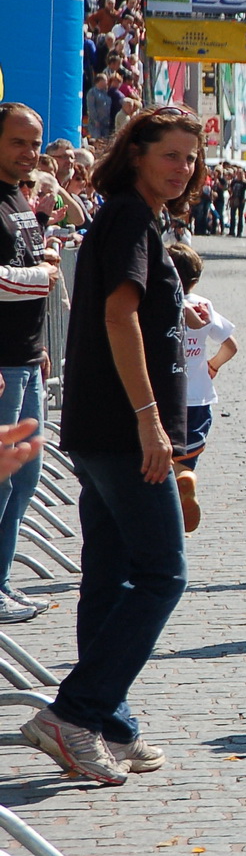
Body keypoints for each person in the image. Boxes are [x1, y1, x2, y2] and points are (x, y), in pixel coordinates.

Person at [22, 106, 203, 785]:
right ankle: (76, 711)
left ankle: (111, 722)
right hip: (125, 430)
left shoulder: (133, 215)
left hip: (103, 426)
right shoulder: (128, 216)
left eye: (190, 157)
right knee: (163, 574)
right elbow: (118, 314)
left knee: (111, 574)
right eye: (170, 155)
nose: (183, 168)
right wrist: (151, 419)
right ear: (136, 155)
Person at [0, 103, 60, 623]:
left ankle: (1, 583)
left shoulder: (19, 197)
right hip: (1, 365)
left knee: (24, 479)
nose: (30, 152)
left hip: (26, 356)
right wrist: (43, 274)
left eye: (35, 142)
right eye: (19, 142)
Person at [167, 244, 238, 533]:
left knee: (165, 456)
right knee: (187, 455)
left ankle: (177, 490)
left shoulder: (161, 303)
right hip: (199, 397)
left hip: (167, 394)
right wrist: (213, 365)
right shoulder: (204, 306)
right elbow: (231, 346)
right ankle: (187, 479)